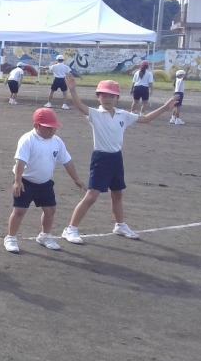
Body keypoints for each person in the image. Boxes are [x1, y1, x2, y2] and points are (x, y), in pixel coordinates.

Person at [60, 75, 175, 244]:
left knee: (117, 194)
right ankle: (71, 229)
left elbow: (146, 119)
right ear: (98, 97)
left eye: (111, 96)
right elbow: (79, 105)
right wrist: (73, 90)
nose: (107, 99)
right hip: (101, 159)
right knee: (91, 195)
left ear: (117, 98)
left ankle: (120, 225)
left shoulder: (123, 115)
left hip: (116, 158)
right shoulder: (95, 114)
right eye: (103, 95)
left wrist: (165, 107)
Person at [3, 108, 85, 253]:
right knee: (19, 211)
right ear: (37, 126)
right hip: (25, 182)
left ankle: (44, 236)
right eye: (48, 128)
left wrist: (76, 179)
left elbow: (67, 161)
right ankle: (11, 238)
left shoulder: (57, 141)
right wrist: (17, 181)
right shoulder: (27, 139)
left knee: (50, 210)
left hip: (45, 183)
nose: (52, 130)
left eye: (54, 127)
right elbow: (21, 162)